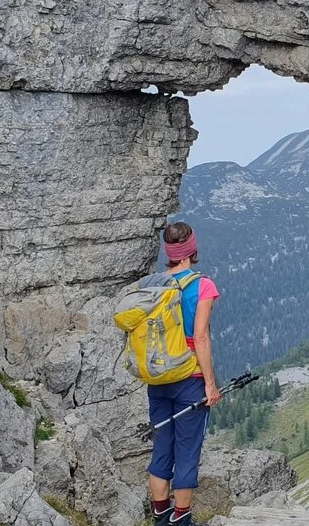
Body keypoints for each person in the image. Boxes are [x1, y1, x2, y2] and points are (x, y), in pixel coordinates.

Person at [125, 221, 223, 526]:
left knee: (162, 446)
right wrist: (210, 384)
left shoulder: (151, 284)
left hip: (158, 379)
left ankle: (160, 517)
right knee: (187, 450)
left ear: (169, 252)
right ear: (192, 249)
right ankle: (181, 521)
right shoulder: (201, 285)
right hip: (189, 379)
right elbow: (201, 337)